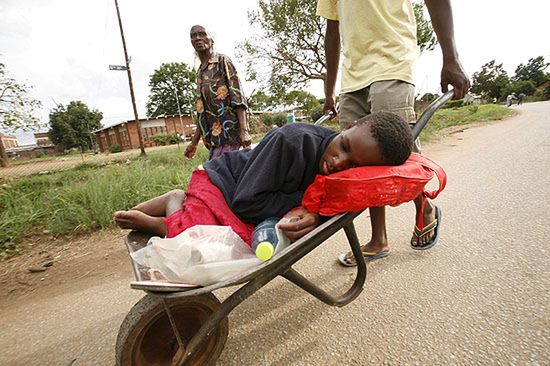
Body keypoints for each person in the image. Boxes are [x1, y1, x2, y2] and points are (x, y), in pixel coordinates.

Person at [317, 0, 470, 266]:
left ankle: (425, 207)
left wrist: (451, 57)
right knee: (359, 162)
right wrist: (329, 90)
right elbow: (333, 32)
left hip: (392, 61)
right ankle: (379, 239)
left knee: (395, 151)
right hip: (352, 76)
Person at [114, 112, 414, 242]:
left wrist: (317, 215)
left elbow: (328, 204)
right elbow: (246, 204)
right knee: (202, 238)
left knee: (223, 243)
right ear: (348, 125)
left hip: (250, 195)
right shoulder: (292, 141)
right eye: (344, 146)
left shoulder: (350, 178)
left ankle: (178, 209)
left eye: (353, 165)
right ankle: (168, 214)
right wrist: (307, 205)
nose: (338, 162)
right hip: (224, 183)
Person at [184, 25, 252, 160]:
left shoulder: (222, 61)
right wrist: (194, 143)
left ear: (212, 39)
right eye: (193, 36)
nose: (197, 38)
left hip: (232, 136)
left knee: (225, 176)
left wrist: (244, 131)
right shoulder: (200, 73)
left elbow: (237, 96)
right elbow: (202, 113)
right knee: (219, 175)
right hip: (214, 141)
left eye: (202, 34)